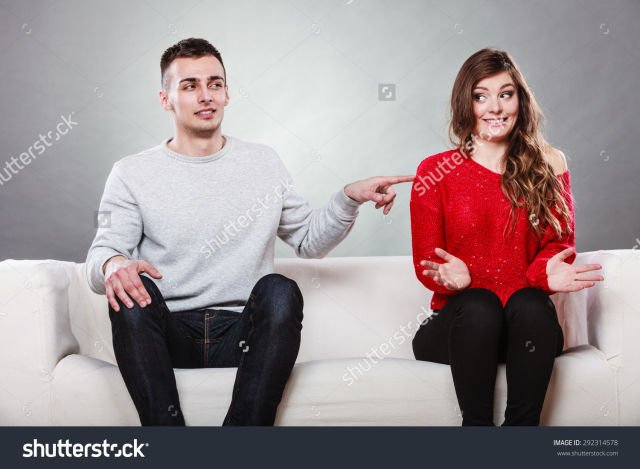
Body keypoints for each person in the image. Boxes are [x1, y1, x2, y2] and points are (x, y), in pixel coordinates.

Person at [85, 37, 413, 426]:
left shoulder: (263, 163)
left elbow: (308, 241)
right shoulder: (131, 173)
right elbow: (101, 255)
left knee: (280, 288)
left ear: (227, 93)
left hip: (241, 337)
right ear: (165, 99)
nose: (206, 96)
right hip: (168, 337)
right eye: (190, 86)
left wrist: (348, 198)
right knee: (129, 289)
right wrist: (112, 264)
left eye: (215, 84)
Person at [410, 48, 604, 426]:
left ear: (520, 100)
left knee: (530, 303)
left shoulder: (550, 163)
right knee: (481, 304)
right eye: (481, 96)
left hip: (524, 328)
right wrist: (454, 280)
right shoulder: (435, 171)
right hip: (462, 327)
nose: (495, 107)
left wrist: (543, 274)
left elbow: (558, 245)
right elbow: (426, 262)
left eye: (506, 94)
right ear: (465, 103)